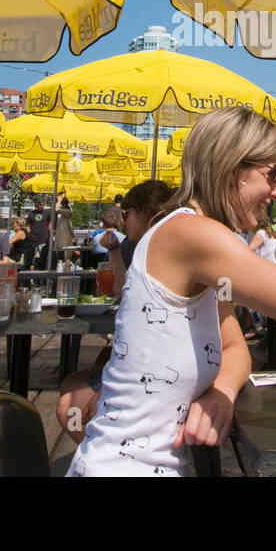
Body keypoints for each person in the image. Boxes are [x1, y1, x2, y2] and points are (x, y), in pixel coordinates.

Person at [68, 108, 276, 475]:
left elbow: (235, 348)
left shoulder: (193, 238)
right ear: (234, 171)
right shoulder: (194, 234)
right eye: (273, 174)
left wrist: (222, 392)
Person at [57, 181, 169, 445]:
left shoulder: (162, 253)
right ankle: (102, 453)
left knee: (70, 409)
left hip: (153, 367)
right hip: (136, 352)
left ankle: (107, 453)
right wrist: (116, 250)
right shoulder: (134, 246)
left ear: (148, 215)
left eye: (127, 215)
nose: (123, 221)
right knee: (74, 380)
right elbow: (122, 290)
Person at [22, 196, 52, 268]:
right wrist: (28, 237)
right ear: (36, 205)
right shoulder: (31, 213)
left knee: (42, 258)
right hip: (33, 239)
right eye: (40, 204)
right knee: (31, 259)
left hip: (44, 238)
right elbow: (28, 226)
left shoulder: (47, 213)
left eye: (43, 204)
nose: (41, 206)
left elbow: (50, 225)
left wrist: (50, 236)